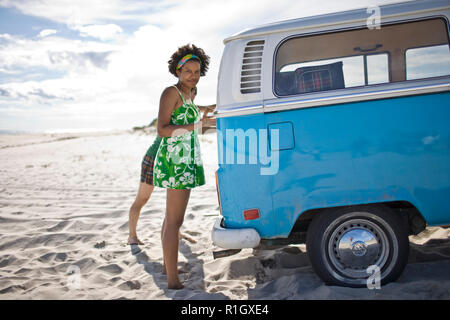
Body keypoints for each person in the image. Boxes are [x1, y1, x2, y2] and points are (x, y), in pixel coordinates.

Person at [154, 44, 215, 289]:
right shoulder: (171, 92)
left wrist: (205, 110)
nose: (192, 75)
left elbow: (189, 108)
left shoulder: (192, 91)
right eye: (187, 71)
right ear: (177, 71)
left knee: (171, 218)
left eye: (197, 71)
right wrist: (199, 126)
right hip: (175, 160)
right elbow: (162, 130)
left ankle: (169, 268)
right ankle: (172, 280)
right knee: (174, 222)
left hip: (188, 157)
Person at [127, 87, 205, 246]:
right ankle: (132, 236)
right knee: (142, 198)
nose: (191, 97)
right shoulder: (174, 108)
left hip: (175, 160)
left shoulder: (190, 109)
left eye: (193, 94)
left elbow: (202, 108)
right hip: (155, 158)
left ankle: (175, 232)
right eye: (188, 94)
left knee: (174, 203)